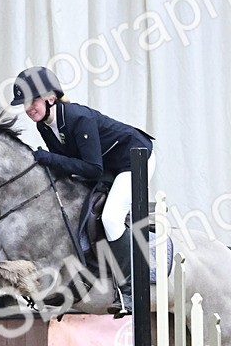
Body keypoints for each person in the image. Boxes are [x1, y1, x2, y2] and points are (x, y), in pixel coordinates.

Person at [9, 66, 153, 315]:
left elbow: (92, 169)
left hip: (133, 160)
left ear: (50, 98)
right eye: (25, 104)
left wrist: (49, 158)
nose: (28, 108)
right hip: (108, 167)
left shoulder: (78, 118)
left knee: (110, 217)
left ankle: (131, 290)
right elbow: (69, 164)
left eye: (32, 101)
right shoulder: (44, 125)